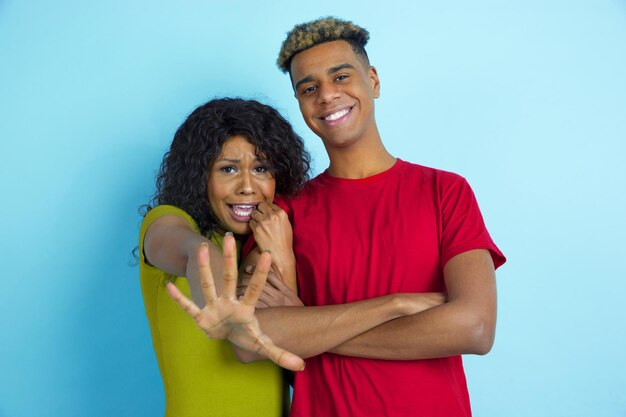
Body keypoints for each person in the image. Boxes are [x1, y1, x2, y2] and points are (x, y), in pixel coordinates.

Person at [170, 17, 506, 417]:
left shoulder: (445, 192)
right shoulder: (283, 214)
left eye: (341, 77)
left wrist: (307, 325)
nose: (327, 96)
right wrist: (395, 305)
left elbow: (474, 327)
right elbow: (249, 340)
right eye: (308, 88)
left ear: (374, 81)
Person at [138, 98, 311, 417]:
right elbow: (196, 252)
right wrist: (223, 307)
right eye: (228, 168)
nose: (247, 186)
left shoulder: (275, 241)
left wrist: (282, 256)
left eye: (261, 168)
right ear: (200, 176)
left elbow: (304, 376)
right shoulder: (170, 222)